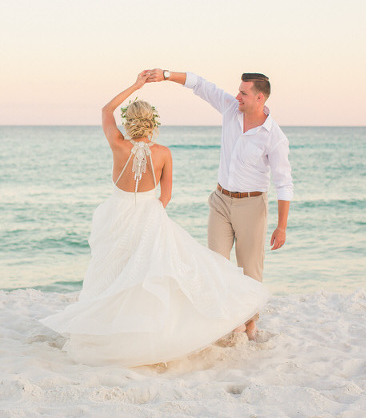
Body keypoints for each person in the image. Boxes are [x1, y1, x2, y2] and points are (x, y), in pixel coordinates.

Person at [40, 73, 269, 367]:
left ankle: (110, 329)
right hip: (150, 215)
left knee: (114, 273)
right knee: (154, 274)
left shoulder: (117, 144)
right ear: (153, 123)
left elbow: (105, 110)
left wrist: (135, 86)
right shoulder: (163, 154)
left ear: (129, 121)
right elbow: (166, 196)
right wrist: (151, 216)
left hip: (117, 214)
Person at [145, 68, 293, 340]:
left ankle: (250, 324)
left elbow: (284, 183)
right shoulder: (230, 109)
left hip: (252, 205)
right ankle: (227, 321)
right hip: (220, 201)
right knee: (216, 265)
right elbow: (200, 84)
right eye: (238, 91)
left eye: (244, 93)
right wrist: (165, 74)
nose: (237, 96)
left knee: (250, 271)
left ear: (260, 98)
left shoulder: (274, 137)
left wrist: (281, 227)